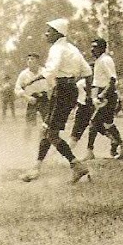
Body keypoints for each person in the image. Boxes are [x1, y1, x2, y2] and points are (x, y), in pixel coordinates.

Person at [19, 18, 92, 183]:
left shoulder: (57, 49)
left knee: (51, 134)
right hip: (69, 90)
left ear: (58, 33)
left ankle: (76, 165)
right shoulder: (72, 49)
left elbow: (50, 71)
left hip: (62, 91)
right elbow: (87, 72)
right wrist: (88, 94)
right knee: (46, 129)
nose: (46, 34)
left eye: (49, 31)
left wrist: (30, 82)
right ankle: (36, 168)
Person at [80, 38, 123, 160]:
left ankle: (90, 151)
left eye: (95, 47)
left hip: (106, 95)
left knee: (94, 122)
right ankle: (121, 146)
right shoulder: (99, 61)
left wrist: (102, 95)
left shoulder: (105, 60)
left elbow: (112, 80)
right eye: (92, 47)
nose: (92, 50)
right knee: (107, 124)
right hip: (101, 93)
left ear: (102, 48)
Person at [15, 53, 51, 143]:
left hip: (44, 99)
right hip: (32, 99)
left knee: (48, 122)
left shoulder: (44, 71)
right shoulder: (24, 74)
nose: (30, 61)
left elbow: (52, 84)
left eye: (32, 59)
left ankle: (43, 142)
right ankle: (26, 143)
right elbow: (17, 88)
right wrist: (27, 97)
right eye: (28, 59)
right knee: (29, 124)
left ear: (37, 61)